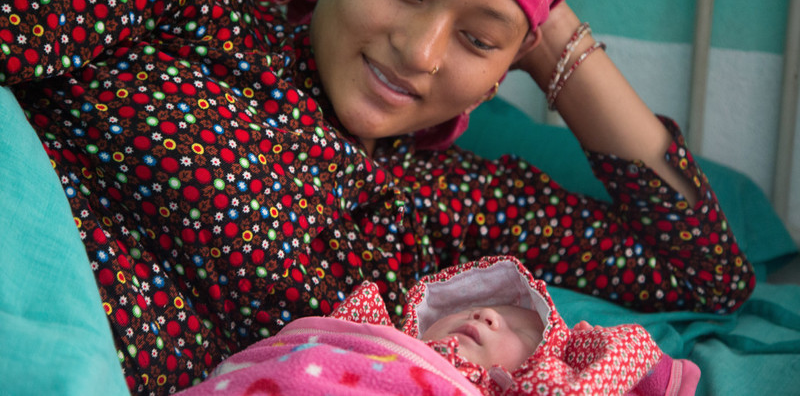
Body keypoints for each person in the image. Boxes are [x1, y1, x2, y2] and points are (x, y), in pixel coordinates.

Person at [0, 0, 753, 393]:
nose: (421, 53)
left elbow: (704, 273)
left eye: (479, 39)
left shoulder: (450, 208)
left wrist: (556, 42)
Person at [176, 256, 700, 395]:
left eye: (518, 329)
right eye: (472, 309)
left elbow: (621, 362)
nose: (486, 314)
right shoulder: (372, 333)